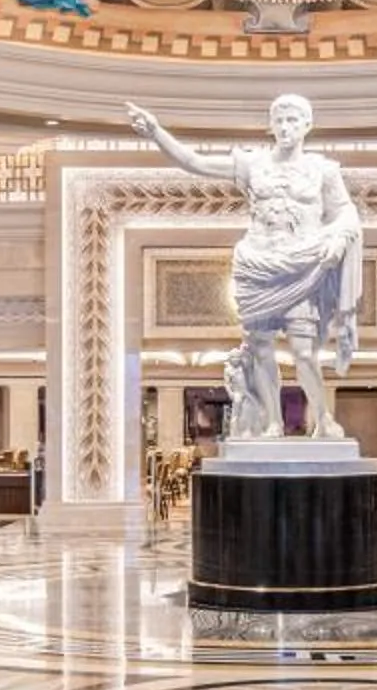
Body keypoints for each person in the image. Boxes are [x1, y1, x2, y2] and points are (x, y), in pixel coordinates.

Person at [124, 94, 362, 440]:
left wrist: (339, 238)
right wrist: (157, 132)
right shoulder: (253, 164)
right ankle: (273, 422)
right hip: (257, 265)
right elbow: (195, 163)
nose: (285, 127)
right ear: (270, 125)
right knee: (261, 349)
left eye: (293, 120)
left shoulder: (323, 170)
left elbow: (346, 211)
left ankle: (323, 420)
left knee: (304, 352)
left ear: (308, 125)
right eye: (279, 120)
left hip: (301, 265)